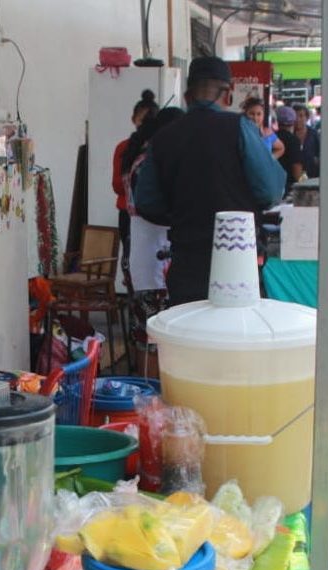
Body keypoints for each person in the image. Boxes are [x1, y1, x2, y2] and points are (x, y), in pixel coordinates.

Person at [134, 56, 286, 306]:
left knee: (189, 327)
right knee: (237, 327)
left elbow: (147, 202)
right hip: (238, 261)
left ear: (187, 97)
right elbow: (270, 192)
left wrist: (183, 215)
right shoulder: (240, 127)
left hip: (187, 258)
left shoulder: (163, 138)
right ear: (228, 95)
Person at [121, 106, 183, 375]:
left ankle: (148, 387)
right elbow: (150, 208)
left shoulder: (141, 157)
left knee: (146, 331)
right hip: (152, 254)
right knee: (153, 333)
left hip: (143, 250)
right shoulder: (149, 162)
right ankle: (152, 389)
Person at [112, 90, 158, 267]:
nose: (144, 124)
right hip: (130, 212)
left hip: (153, 215)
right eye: (141, 120)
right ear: (133, 119)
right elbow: (117, 185)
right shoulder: (124, 147)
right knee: (133, 260)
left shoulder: (159, 145)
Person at [275, 105, 304, 195]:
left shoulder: (272, 137)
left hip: (273, 183)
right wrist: (304, 183)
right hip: (288, 187)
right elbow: (297, 170)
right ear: (293, 122)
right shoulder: (293, 140)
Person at [293, 104, 320, 178]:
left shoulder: (313, 134)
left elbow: (319, 153)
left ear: (307, 118)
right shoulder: (289, 135)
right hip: (293, 176)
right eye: (295, 116)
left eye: (301, 116)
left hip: (312, 174)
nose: (297, 119)